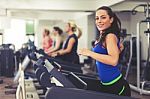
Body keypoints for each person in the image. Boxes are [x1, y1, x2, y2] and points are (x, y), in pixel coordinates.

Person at [78, 6, 131, 96]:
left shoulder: (109, 36)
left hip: (116, 85)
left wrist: (89, 53)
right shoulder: (104, 35)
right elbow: (109, 54)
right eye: (97, 18)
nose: (99, 21)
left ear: (111, 19)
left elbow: (113, 61)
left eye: (103, 17)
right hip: (106, 83)